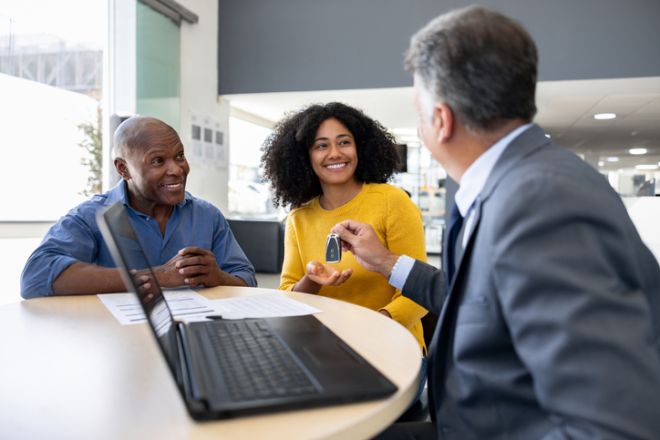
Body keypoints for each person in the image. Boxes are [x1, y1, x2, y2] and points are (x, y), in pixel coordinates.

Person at [331, 6, 660, 439]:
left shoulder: (542, 205)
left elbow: (612, 427)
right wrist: (388, 262)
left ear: (441, 120)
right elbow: (476, 300)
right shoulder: (517, 184)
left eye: (418, 111)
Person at [21, 116, 256, 299]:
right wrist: (157, 276)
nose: (176, 169)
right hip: (116, 340)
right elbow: (35, 277)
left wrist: (218, 277)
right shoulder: (92, 216)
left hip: (193, 336)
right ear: (123, 169)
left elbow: (247, 281)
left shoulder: (207, 216)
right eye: (158, 161)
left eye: (180, 156)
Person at [260, 102, 429, 354]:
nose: (335, 153)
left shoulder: (392, 201)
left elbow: (419, 290)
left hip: (392, 345)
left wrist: (374, 326)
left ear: (359, 148)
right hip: (324, 346)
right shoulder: (299, 217)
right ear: (305, 157)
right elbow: (288, 296)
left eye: (344, 142)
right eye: (321, 145)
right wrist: (312, 280)